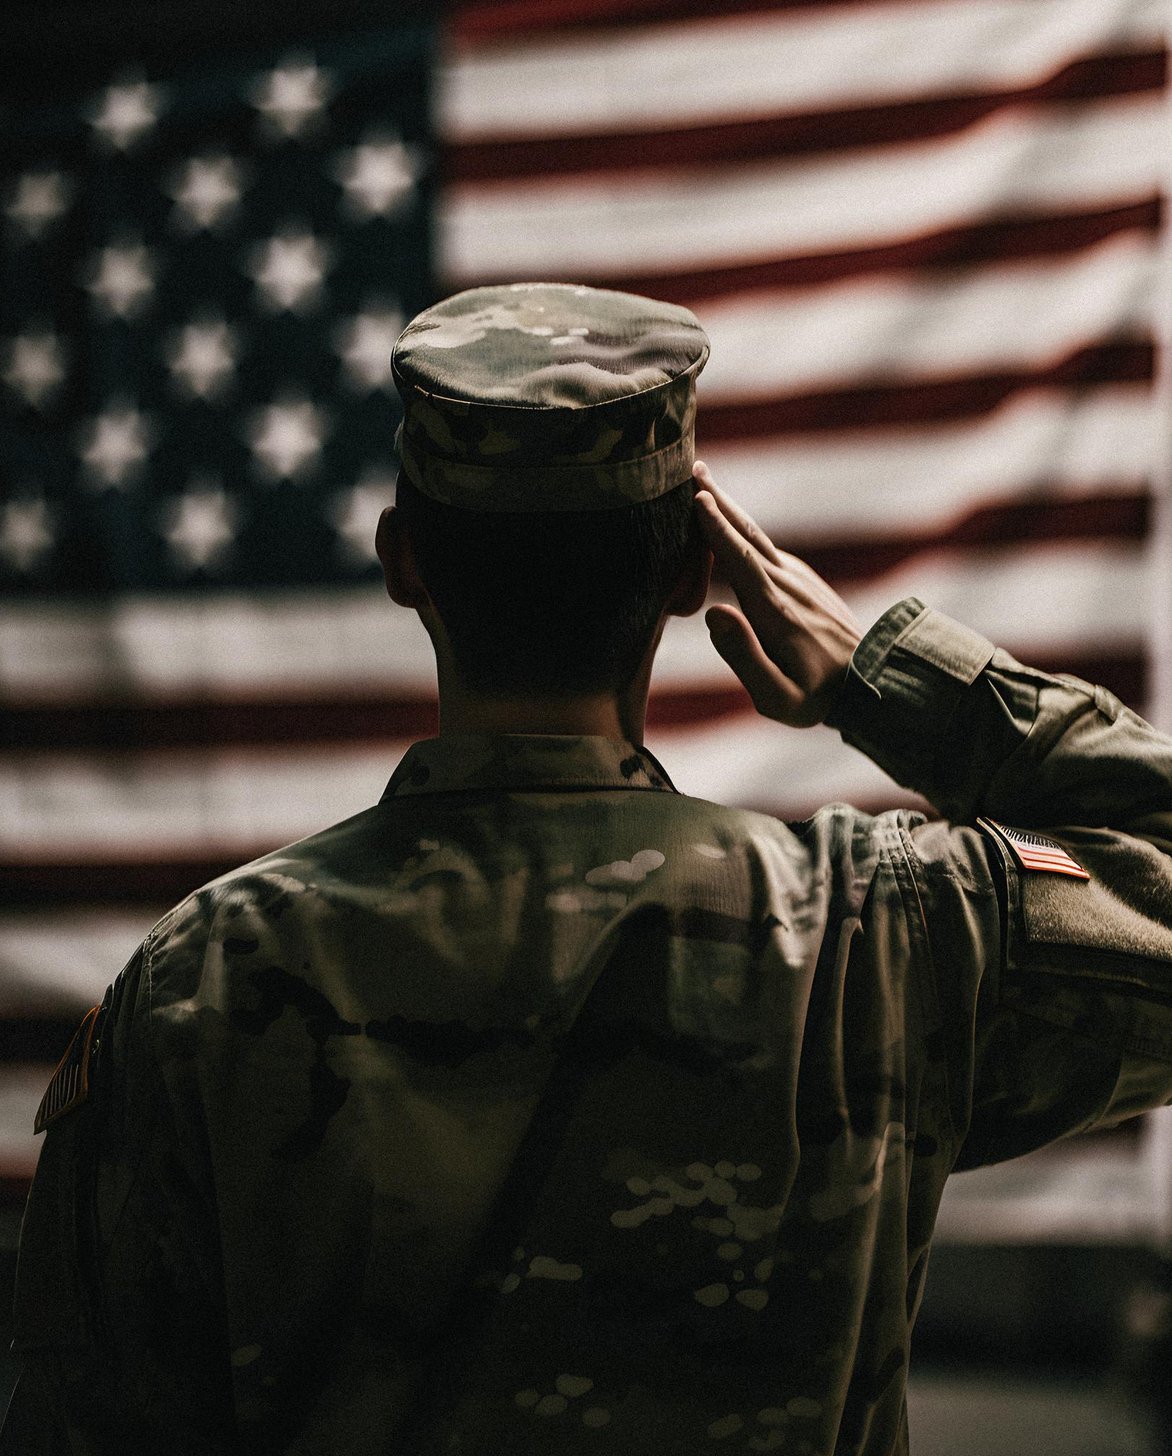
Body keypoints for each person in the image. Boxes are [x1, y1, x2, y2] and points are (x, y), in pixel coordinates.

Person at [4, 281, 1172, 1456]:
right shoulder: (877, 933)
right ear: (682, 575)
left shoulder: (202, 983)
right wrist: (883, 679)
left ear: (403, 560)